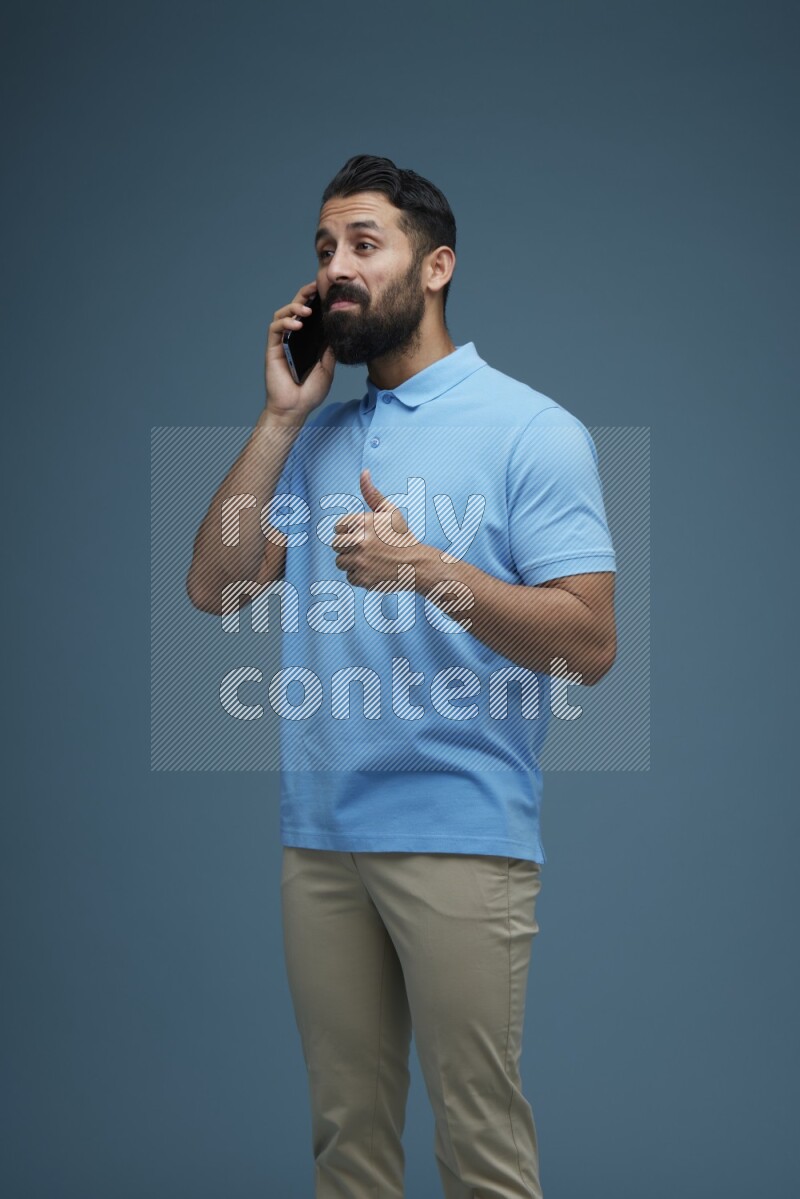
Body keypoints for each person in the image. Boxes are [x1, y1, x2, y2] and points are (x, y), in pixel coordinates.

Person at [187, 154, 617, 1199]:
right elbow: (216, 585)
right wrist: (279, 419)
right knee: (347, 1145)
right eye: (323, 247)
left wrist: (426, 570)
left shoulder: (532, 430)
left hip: (460, 829)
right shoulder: (318, 437)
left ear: (435, 267)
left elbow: (589, 646)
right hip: (320, 837)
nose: (335, 266)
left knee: (478, 1149)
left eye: (363, 244)